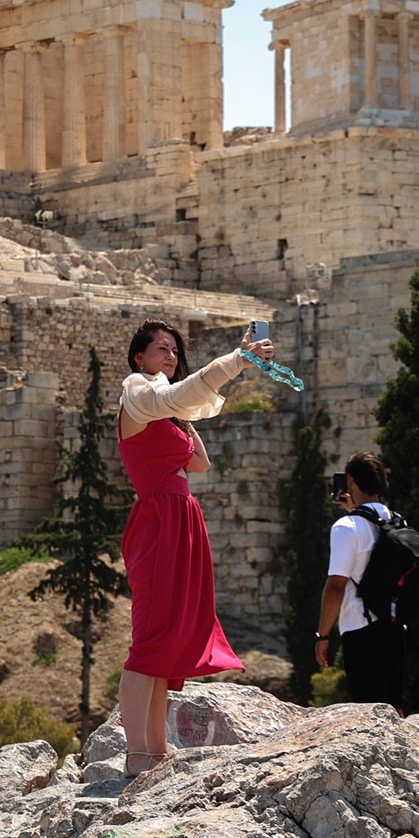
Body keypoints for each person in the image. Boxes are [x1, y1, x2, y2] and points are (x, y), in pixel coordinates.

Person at [116, 319, 270, 775]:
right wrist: (239, 360)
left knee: (166, 636)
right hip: (159, 522)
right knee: (148, 639)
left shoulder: (162, 409)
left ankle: (158, 749)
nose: (170, 356)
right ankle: (136, 753)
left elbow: (199, 463)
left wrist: (183, 420)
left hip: (181, 520)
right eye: (161, 349)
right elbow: (173, 396)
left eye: (174, 351)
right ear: (139, 357)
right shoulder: (137, 393)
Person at [313, 451, 408, 713]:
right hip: (395, 625)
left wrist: (322, 635)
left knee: (369, 711)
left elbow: (336, 585)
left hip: (361, 629)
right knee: (395, 706)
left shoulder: (346, 527)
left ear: (350, 480)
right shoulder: (396, 520)